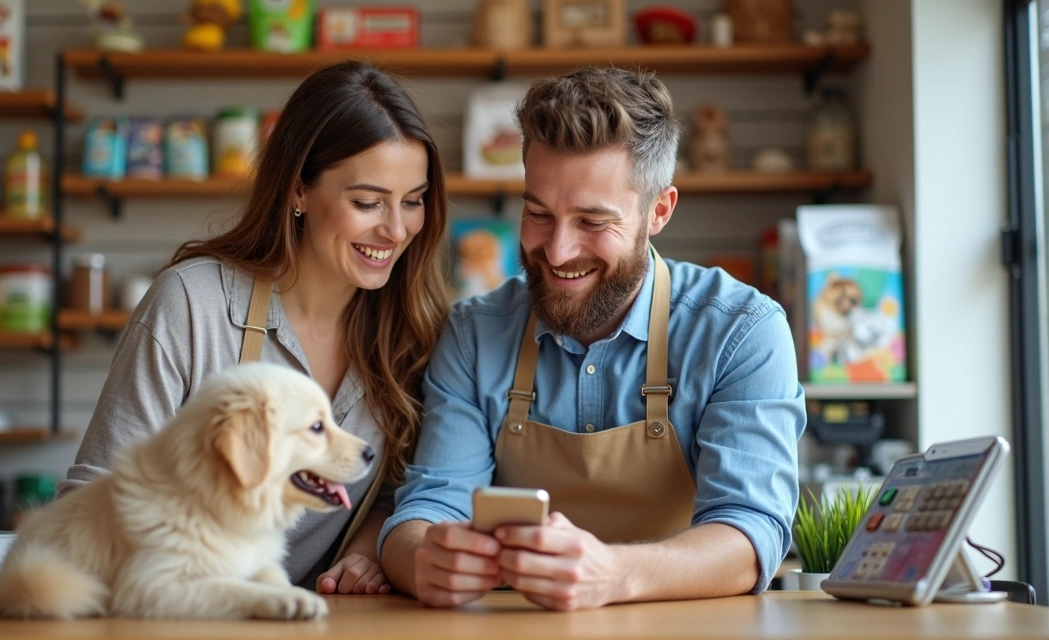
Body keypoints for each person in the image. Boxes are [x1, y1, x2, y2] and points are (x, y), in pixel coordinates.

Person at [379, 67, 806, 610]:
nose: (557, 251)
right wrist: (421, 558)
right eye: (538, 214)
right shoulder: (474, 332)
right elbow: (430, 504)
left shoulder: (742, 330)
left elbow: (751, 534)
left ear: (659, 211)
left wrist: (615, 575)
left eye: (592, 222)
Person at [60, 60, 450, 595]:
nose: (396, 228)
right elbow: (92, 501)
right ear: (297, 191)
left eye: (413, 201)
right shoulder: (191, 305)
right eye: (367, 202)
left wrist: (366, 550)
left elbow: (399, 490)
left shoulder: (412, 330)